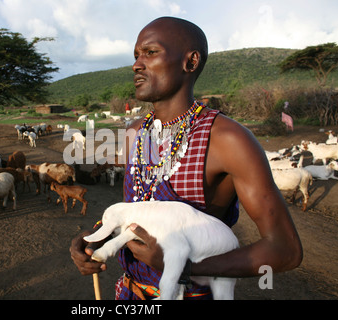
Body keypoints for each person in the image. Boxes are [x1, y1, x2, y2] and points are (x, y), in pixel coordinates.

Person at [70, 16, 302, 300]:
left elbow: (285, 250)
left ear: (190, 62)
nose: (136, 64)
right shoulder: (133, 134)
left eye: (151, 52)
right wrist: (96, 239)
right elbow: (135, 213)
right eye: (136, 55)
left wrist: (183, 266)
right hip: (129, 295)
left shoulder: (228, 139)